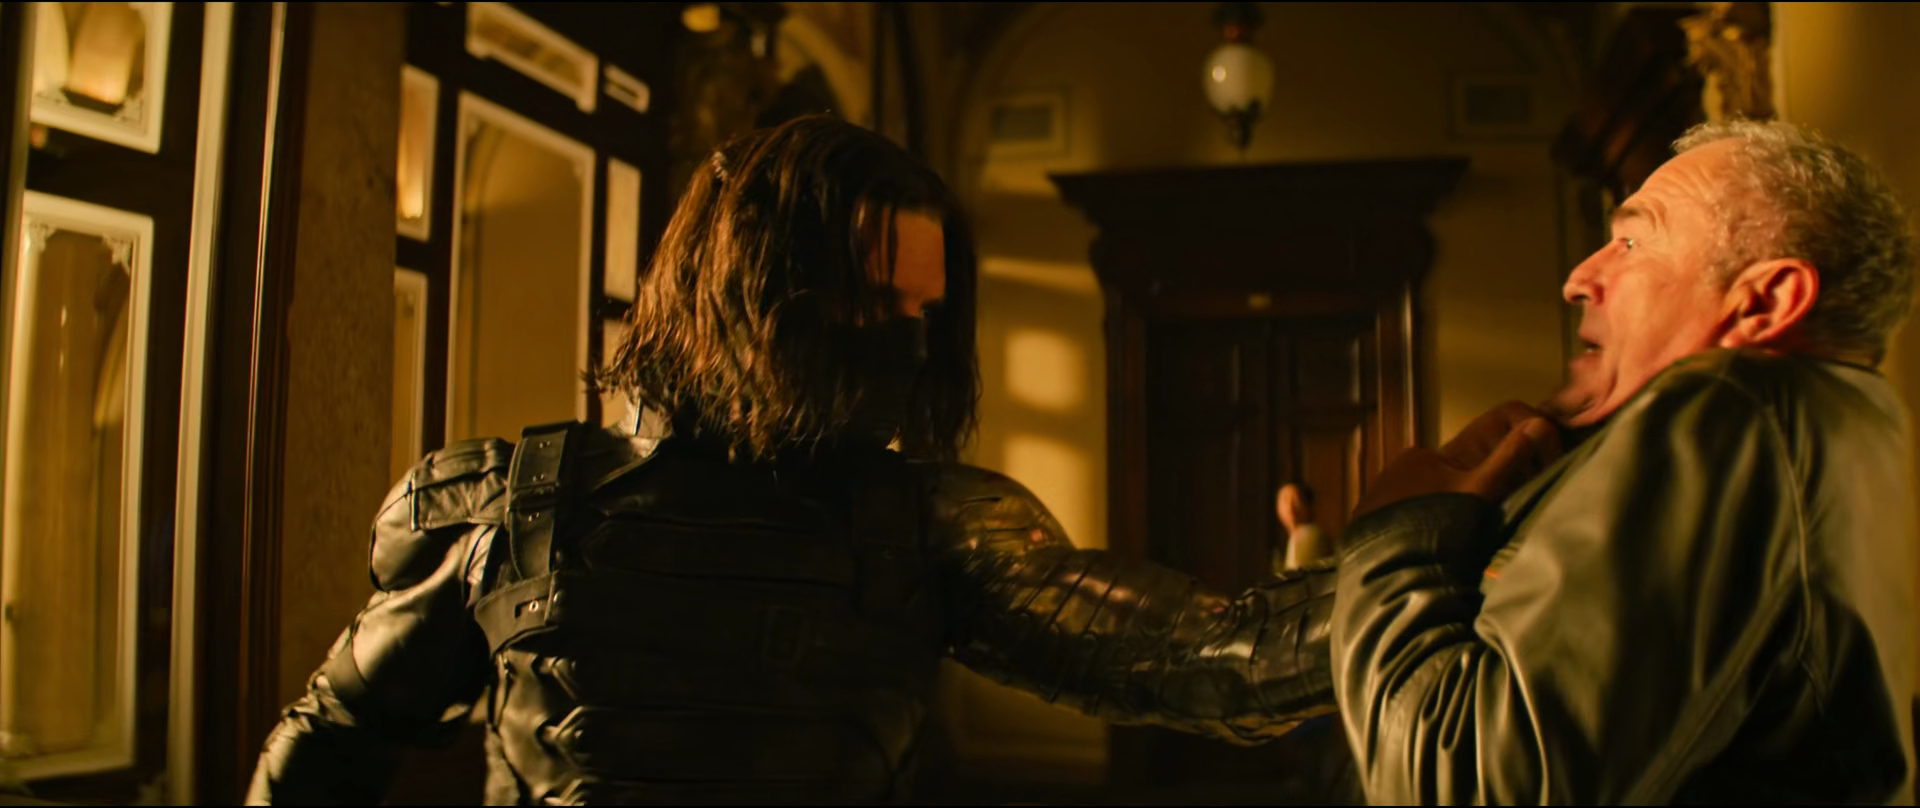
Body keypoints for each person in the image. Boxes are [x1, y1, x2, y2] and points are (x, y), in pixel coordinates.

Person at [245, 115, 1340, 806]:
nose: (905, 346)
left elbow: (1203, 659)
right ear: (755, 288)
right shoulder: (510, 507)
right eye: (871, 303)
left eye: (922, 314)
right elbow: (329, 738)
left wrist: (1401, 558)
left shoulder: (925, 527)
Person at [1330, 119, 1919, 804]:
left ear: (1765, 301)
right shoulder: (1849, 421)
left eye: (1631, 242)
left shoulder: (1730, 408)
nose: (1579, 279)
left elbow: (1466, 784)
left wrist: (1399, 533)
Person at [1274, 482, 1331, 572]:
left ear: (1308, 506)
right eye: (1285, 500)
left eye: (1296, 500)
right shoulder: (1288, 540)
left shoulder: (1314, 536)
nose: (1290, 507)